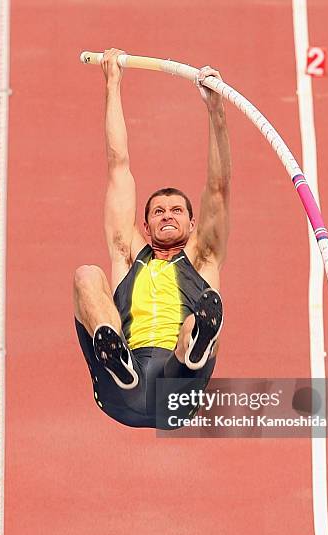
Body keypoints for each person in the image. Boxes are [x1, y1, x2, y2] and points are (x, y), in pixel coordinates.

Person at [74, 48, 231, 428]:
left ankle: (192, 352)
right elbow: (118, 165)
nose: (166, 215)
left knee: (206, 306)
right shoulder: (128, 254)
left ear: (193, 224)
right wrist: (113, 84)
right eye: (158, 212)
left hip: (176, 390)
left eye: (176, 211)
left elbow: (218, 188)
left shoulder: (204, 257)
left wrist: (216, 112)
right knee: (86, 275)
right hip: (122, 389)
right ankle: (117, 356)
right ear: (145, 226)